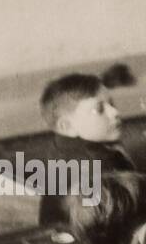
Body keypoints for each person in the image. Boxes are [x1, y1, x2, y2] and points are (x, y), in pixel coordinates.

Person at [36, 67, 135, 228]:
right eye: (99, 109)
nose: (115, 112)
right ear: (66, 126)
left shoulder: (63, 147)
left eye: (111, 104)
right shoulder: (99, 164)